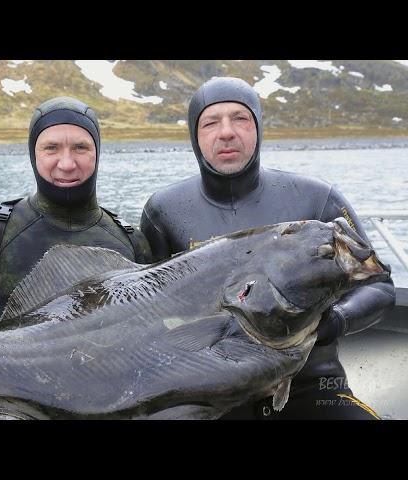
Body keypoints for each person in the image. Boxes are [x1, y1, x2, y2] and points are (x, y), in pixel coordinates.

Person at [140, 77, 396, 420]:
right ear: (194, 136)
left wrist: (335, 322)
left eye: (240, 119)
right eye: (211, 122)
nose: (227, 132)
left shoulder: (316, 200)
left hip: (314, 387)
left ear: (258, 128)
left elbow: (379, 285)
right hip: (212, 396)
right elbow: (144, 312)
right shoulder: (163, 211)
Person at [0, 96, 152, 330]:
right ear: (34, 153)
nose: (67, 164)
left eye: (80, 147)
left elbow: (151, 329)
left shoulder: (132, 240)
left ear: (97, 152)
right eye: (51, 148)